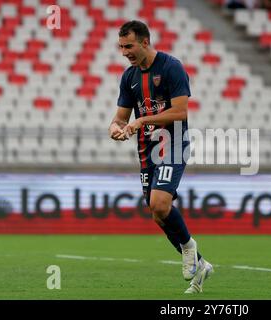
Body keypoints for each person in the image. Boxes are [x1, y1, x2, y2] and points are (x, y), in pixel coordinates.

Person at [108, 20, 213, 294]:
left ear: (145, 42)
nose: (124, 52)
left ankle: (189, 248)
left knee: (160, 203)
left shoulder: (170, 67)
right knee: (158, 213)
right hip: (146, 150)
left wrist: (141, 120)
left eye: (128, 46)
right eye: (121, 47)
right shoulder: (129, 77)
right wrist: (115, 129)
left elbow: (180, 112)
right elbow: (120, 118)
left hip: (173, 143)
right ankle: (201, 265)